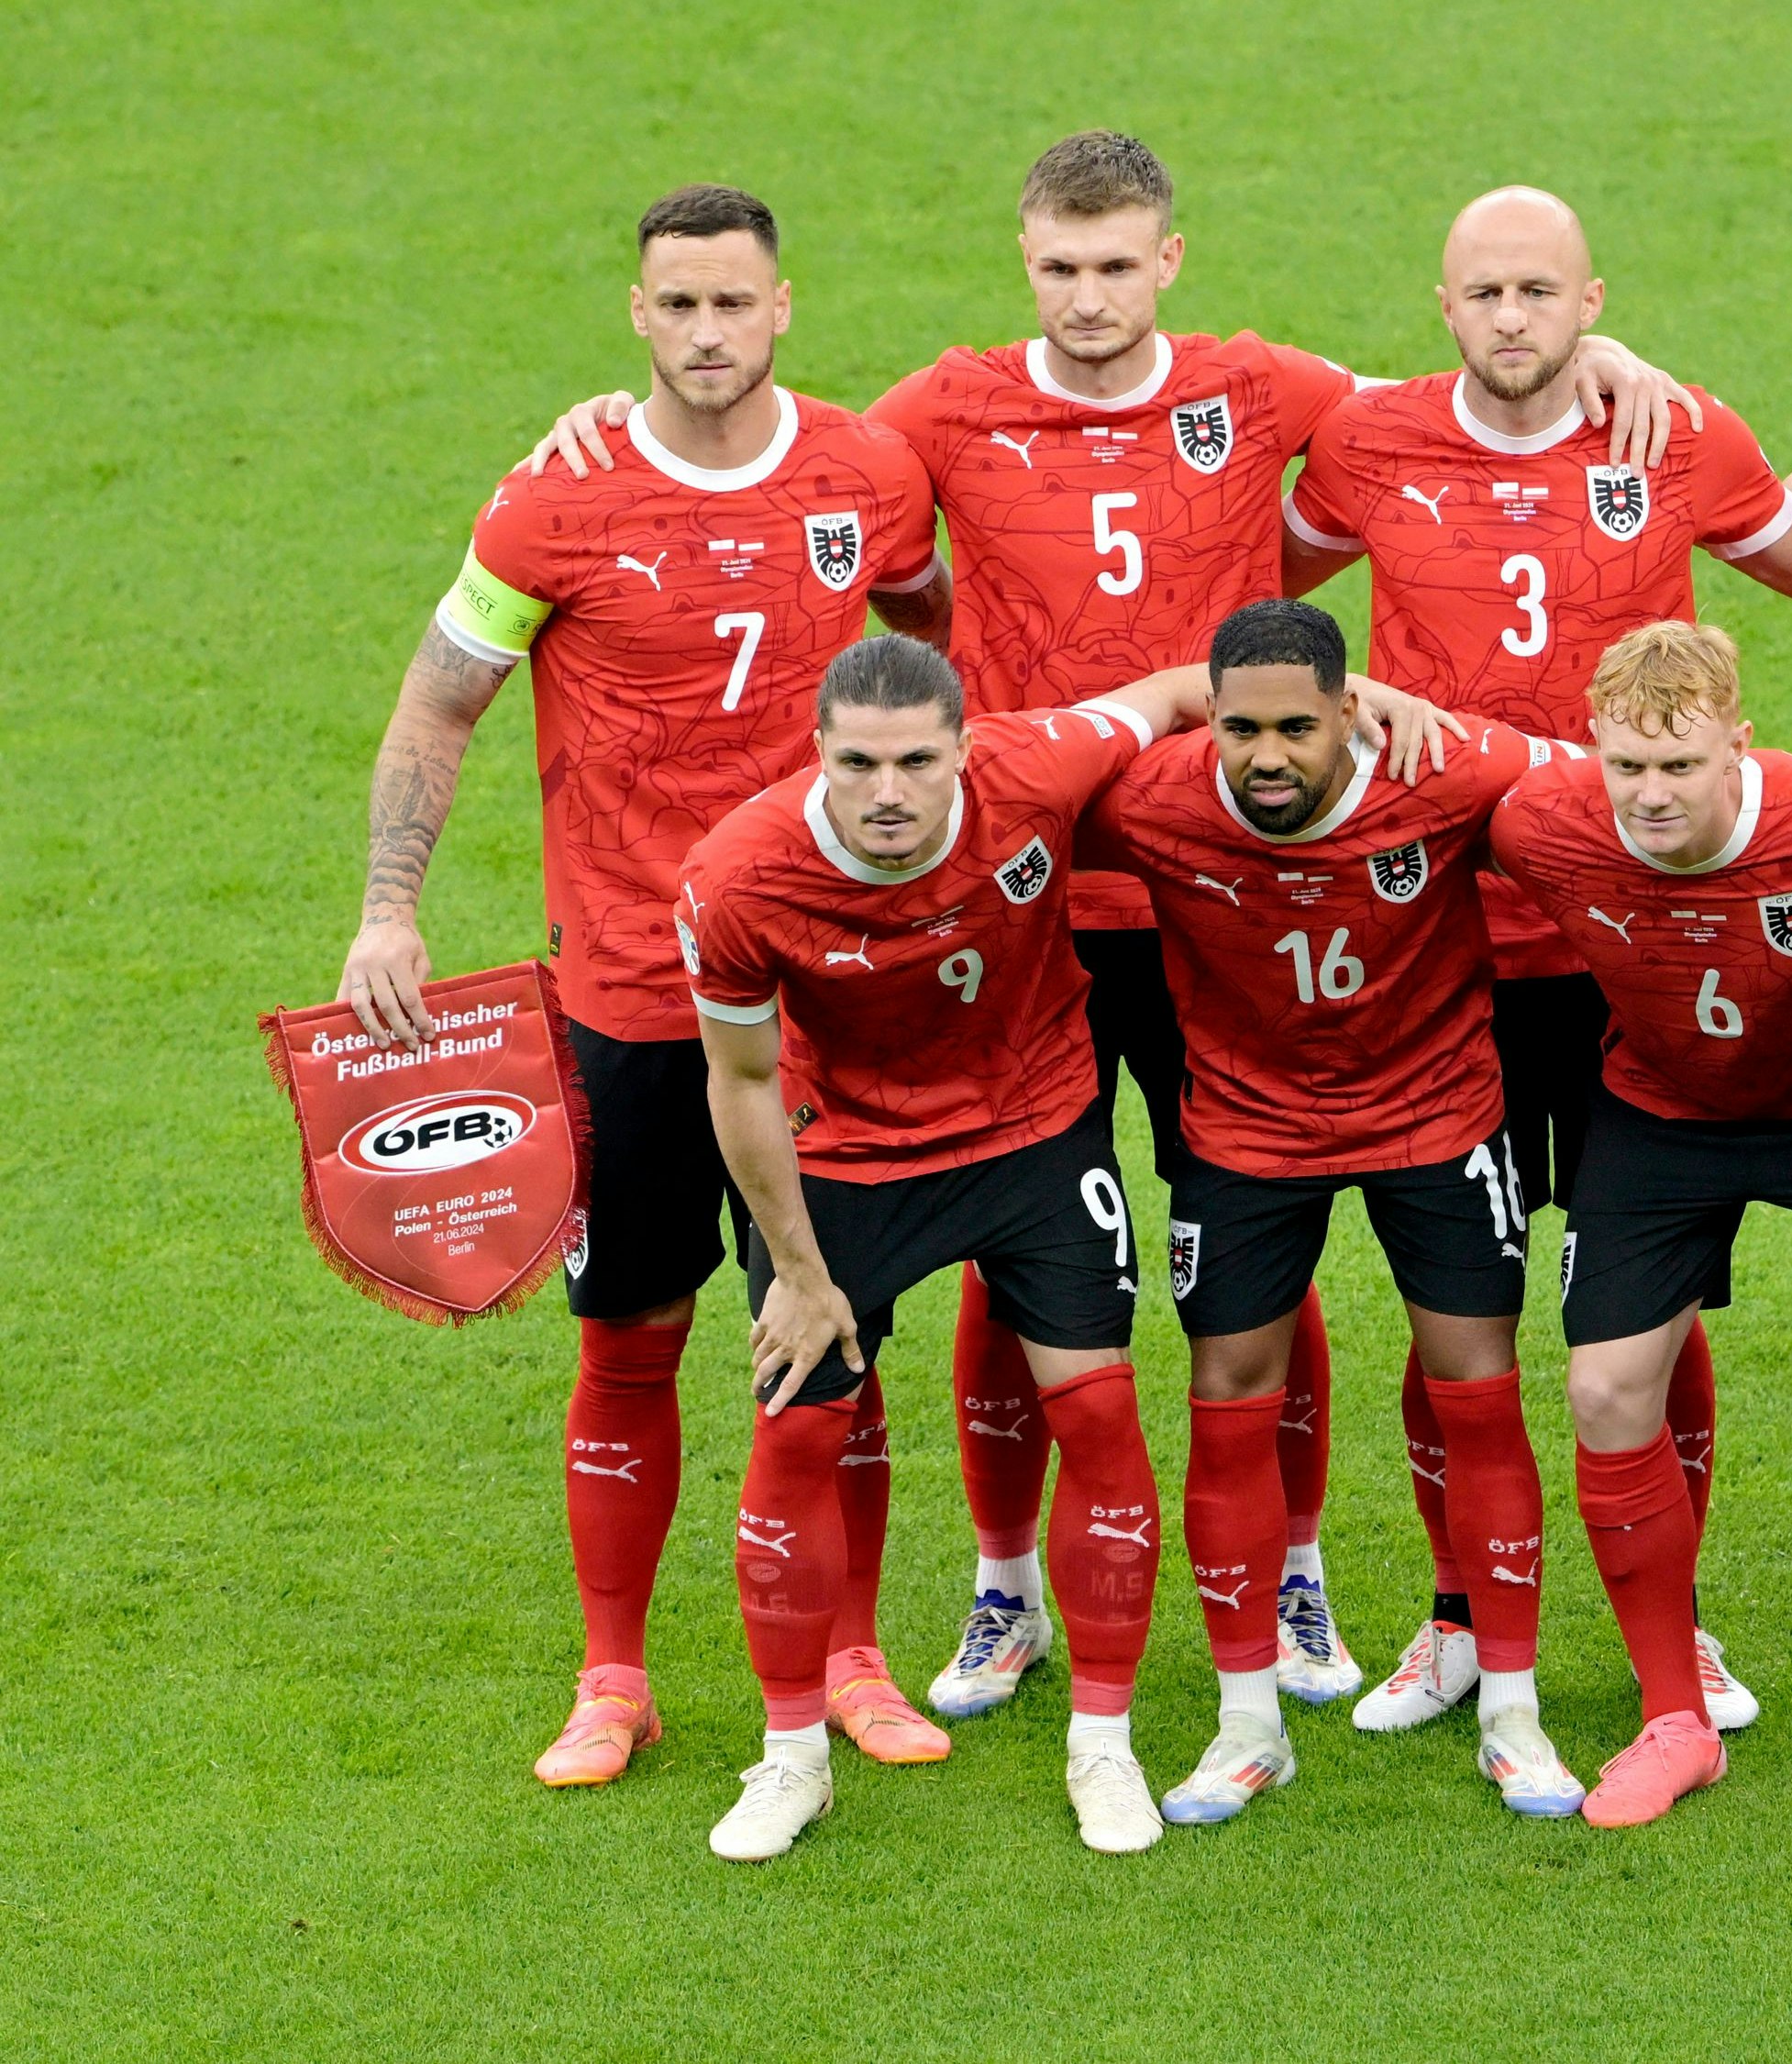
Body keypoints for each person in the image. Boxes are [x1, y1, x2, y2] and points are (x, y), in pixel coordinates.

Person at [520, 135, 1694, 1722]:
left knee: (1253, 1222)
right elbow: (780, 458)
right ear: (1027, 265)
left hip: (1231, 877)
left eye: (1119, 263)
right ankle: (1006, 1588)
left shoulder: (1260, 385)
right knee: (1015, 1240)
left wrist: (1593, 347)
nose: (1090, 295)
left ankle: (1288, 1572)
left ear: (1170, 259)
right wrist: (622, 427)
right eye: (1062, 268)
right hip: (1019, 895)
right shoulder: (939, 410)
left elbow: (1465, 394)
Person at [336, 183, 949, 1791]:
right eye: (675, 305)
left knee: (833, 1329)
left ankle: (857, 1654)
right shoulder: (556, 495)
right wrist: (387, 912)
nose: (704, 333)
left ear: (783, 306)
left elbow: (934, 654)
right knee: (630, 1330)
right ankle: (616, 1674)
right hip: (626, 993)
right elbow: (439, 701)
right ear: (637, 315)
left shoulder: (866, 473)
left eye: (732, 303)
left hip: (826, 991)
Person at [1284, 184, 1792, 1737]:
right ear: (1442, 306)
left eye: (1541, 294)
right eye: (1483, 292)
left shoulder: (1673, 433)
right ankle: (1457, 1616)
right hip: (1444, 943)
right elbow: (1237, 596)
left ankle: (1673, 1615)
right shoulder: (1365, 446)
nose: (1511, 320)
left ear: (1590, 299)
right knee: (1457, 1300)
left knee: (1653, 1304)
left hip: (1637, 944)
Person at [674, 640, 1205, 1859]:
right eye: (858, 761)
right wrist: (802, 1277)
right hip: (848, 1158)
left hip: (1034, 1133)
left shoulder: (1041, 765)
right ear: (820, 755)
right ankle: (792, 1757)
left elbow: (1177, 692)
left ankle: (1104, 1747)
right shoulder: (740, 876)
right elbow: (743, 1081)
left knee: (1103, 1416)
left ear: (965, 747)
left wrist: (1359, 704)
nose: (890, 790)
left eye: (918, 758)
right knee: (797, 1429)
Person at [1079, 599, 1589, 1820]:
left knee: (1479, 1382)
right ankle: (1249, 1723)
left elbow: (1610, 789)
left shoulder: (1445, 768)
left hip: (1439, 1115)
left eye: (1296, 727)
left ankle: (1512, 1707)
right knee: (1229, 1394)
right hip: (1248, 1133)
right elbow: (994, 792)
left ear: (1349, 710)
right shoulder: (1156, 799)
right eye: (1239, 726)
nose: (1266, 756)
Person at [1484, 622, 1792, 1832]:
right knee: (1604, 1394)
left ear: (1738, 747)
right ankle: (1674, 1717)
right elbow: (1420, 764)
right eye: (1627, 767)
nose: (1649, 796)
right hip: (1663, 1108)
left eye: (1681, 767)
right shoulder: (1541, 819)